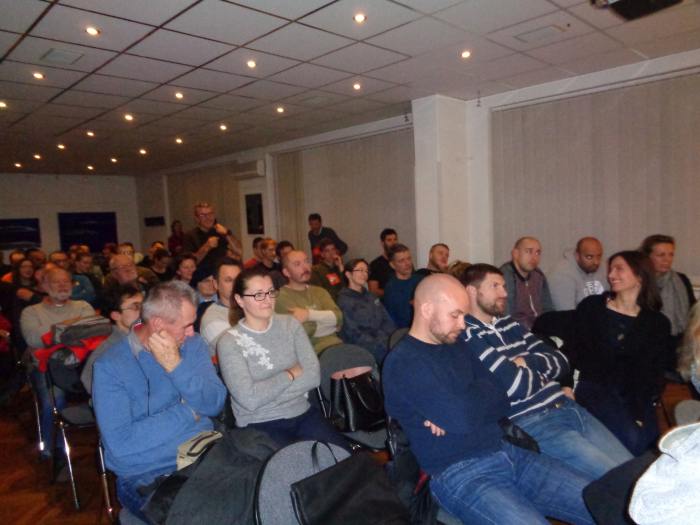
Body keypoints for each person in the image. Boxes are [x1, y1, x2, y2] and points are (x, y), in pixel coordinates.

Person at [383, 274, 594, 525]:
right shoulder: (404, 362)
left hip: (509, 452)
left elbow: (502, 395)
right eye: (455, 315)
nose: (463, 325)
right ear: (427, 309)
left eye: (464, 315)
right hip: (461, 474)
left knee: (597, 500)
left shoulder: (457, 344)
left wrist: (458, 405)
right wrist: (470, 401)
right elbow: (462, 417)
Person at [459, 263, 632, 479]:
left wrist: (526, 361)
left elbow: (562, 362)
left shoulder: (510, 324)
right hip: (536, 421)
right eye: (495, 286)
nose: (504, 293)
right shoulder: (467, 335)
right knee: (619, 479)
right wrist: (540, 371)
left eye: (504, 286)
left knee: (632, 467)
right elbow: (515, 386)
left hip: (569, 406)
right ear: (472, 291)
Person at [92, 281, 226, 520]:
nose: (192, 332)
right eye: (186, 325)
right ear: (157, 324)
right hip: (150, 475)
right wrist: (189, 412)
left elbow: (214, 403)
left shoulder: (193, 345)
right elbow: (121, 445)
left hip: (206, 455)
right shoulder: (110, 367)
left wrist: (176, 366)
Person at [216, 267, 347, 450]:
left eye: (270, 292)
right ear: (240, 300)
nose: (267, 300)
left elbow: (313, 376)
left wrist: (266, 394)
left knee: (342, 456)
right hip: (260, 422)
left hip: (302, 412)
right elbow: (249, 400)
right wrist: (289, 374)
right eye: (258, 295)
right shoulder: (229, 342)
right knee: (298, 465)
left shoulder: (290, 324)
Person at [572, 251, 670, 456]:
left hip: (635, 393)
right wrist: (566, 384)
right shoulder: (592, 307)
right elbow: (573, 350)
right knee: (631, 440)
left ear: (639, 276)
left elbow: (655, 371)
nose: (611, 275)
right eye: (611, 269)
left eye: (619, 269)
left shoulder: (657, 323)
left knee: (652, 445)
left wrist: (640, 407)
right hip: (594, 387)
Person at [20, 267, 95, 460]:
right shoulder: (31, 312)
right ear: (44, 286)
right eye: (56, 282)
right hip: (48, 367)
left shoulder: (83, 306)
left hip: (83, 366)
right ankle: (53, 446)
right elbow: (34, 339)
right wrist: (74, 327)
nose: (62, 286)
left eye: (66, 281)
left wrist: (53, 333)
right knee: (53, 401)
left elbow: (92, 332)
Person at [274, 250, 344, 354]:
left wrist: (308, 315)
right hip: (314, 353)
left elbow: (339, 317)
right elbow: (304, 330)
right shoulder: (280, 297)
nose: (305, 267)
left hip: (338, 345)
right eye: (297, 264)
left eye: (306, 261)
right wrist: (330, 323)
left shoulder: (319, 291)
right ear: (286, 272)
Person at [640, 234, 696, 363]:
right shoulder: (639, 281)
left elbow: (692, 311)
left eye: (671, 254)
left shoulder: (681, 280)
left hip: (678, 341)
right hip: (647, 343)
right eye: (661, 255)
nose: (667, 259)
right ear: (648, 256)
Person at [81, 284, 143, 394]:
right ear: (116, 315)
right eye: (135, 307)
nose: (144, 312)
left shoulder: (146, 338)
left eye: (144, 306)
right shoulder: (108, 349)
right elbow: (89, 381)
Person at [337, 258, 395, 364]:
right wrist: (379, 343)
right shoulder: (344, 300)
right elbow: (352, 333)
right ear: (348, 274)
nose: (364, 274)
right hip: (364, 347)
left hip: (383, 340)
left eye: (366, 271)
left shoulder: (371, 296)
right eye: (360, 270)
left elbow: (386, 319)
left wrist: (390, 338)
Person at [500, 236, 553, 329]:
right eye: (529, 251)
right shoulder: (505, 276)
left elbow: (548, 308)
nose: (534, 257)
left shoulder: (538, 275)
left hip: (541, 328)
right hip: (519, 330)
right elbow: (506, 316)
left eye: (538, 253)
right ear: (515, 254)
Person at [549, 237, 608, 311]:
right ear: (577, 255)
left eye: (599, 256)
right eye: (589, 257)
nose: (596, 262)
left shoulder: (603, 267)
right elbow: (567, 314)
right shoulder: (561, 275)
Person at [200, 257, 242, 354]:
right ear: (216, 284)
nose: (235, 285)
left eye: (238, 280)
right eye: (228, 280)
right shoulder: (212, 318)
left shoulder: (251, 307)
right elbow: (238, 352)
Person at [183, 202, 242, 270]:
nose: (208, 218)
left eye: (210, 214)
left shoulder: (221, 231)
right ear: (197, 219)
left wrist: (227, 233)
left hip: (221, 273)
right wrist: (207, 246)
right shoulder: (190, 236)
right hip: (202, 275)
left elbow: (239, 251)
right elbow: (190, 264)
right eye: (203, 215)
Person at [383, 244, 423, 328]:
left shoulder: (421, 280)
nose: (407, 263)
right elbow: (395, 320)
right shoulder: (391, 288)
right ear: (392, 265)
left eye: (409, 258)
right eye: (401, 261)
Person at [368, 228, 398, 298]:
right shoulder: (375, 265)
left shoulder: (404, 261)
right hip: (385, 302)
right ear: (382, 243)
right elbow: (373, 291)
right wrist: (396, 293)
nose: (393, 243)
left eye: (395, 239)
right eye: (389, 240)